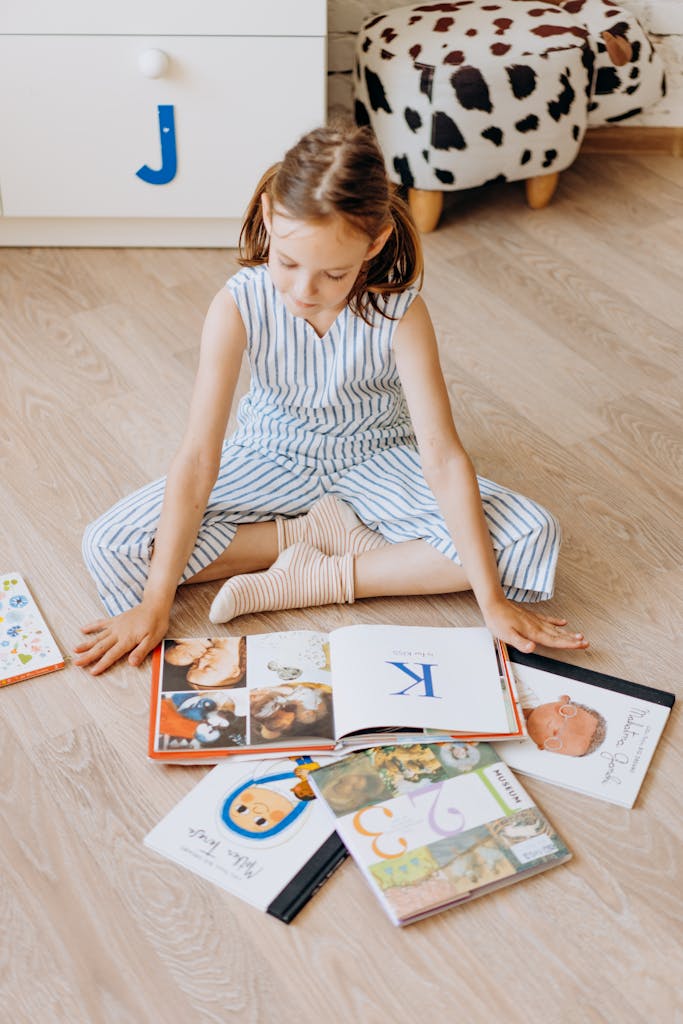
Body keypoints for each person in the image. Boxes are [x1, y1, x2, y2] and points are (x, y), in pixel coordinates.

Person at [74, 122, 589, 676]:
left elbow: (441, 456)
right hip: (270, 454)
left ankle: (325, 574)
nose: (303, 291)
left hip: (377, 458)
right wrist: (155, 605)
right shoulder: (238, 304)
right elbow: (199, 457)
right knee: (109, 544)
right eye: (289, 263)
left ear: (374, 243)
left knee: (529, 534)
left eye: (333, 273)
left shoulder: (401, 313)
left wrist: (492, 603)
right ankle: (304, 535)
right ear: (270, 218)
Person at [523, 695, 606, 757]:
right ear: (563, 700)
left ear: (541, 747)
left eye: (555, 743)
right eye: (565, 714)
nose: (556, 727)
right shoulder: (524, 694)